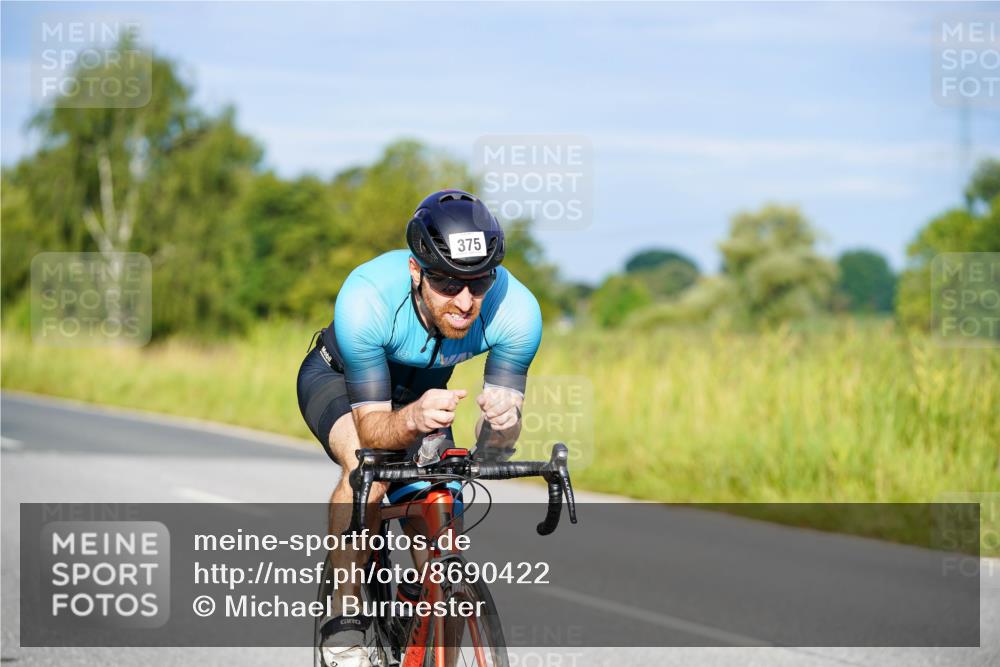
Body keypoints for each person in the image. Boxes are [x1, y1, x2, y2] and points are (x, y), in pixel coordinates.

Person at [296, 189, 543, 666]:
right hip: (343, 381)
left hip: (424, 395)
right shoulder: (366, 297)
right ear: (416, 271)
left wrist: (501, 426)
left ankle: (424, 620)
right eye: (448, 285)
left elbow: (496, 449)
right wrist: (410, 418)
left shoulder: (517, 312)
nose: (466, 302)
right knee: (366, 469)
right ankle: (344, 613)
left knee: (441, 499)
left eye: (479, 282)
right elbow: (372, 433)